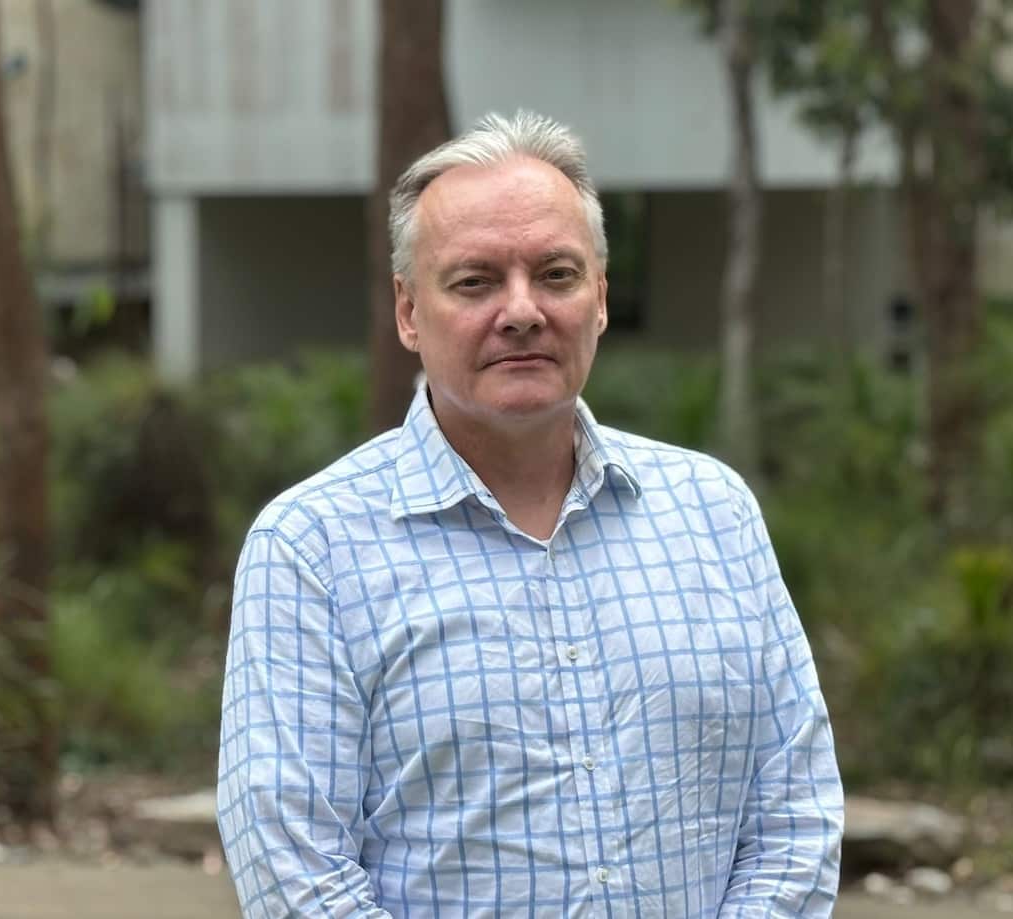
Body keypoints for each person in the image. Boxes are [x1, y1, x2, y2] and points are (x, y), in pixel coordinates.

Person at [216, 111, 843, 918]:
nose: (521, 310)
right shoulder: (311, 548)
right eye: (475, 281)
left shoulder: (714, 514)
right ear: (409, 311)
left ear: (602, 297)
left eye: (555, 274)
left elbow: (793, 811)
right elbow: (293, 870)